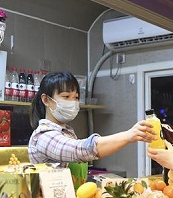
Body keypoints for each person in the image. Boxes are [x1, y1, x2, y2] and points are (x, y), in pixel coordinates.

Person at [28, 71, 156, 166]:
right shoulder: (43, 136)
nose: (72, 102)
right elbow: (81, 150)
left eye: (76, 97)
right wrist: (128, 136)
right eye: (66, 97)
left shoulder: (65, 132)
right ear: (46, 100)